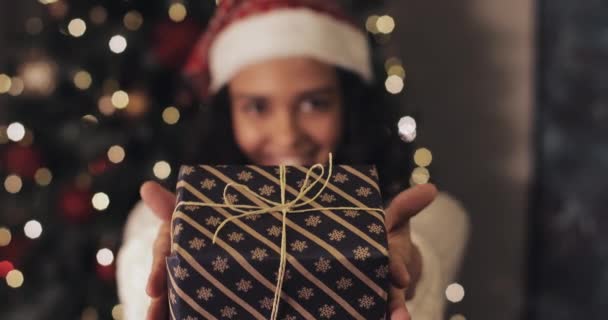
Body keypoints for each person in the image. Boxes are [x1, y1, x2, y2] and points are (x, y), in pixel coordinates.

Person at [116, 1, 469, 319]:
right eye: (257, 106)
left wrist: (407, 269)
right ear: (228, 114)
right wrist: (177, 261)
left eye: (314, 103)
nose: (287, 135)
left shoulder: (422, 217)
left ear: (348, 104)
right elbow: (139, 274)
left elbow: (426, 249)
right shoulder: (166, 217)